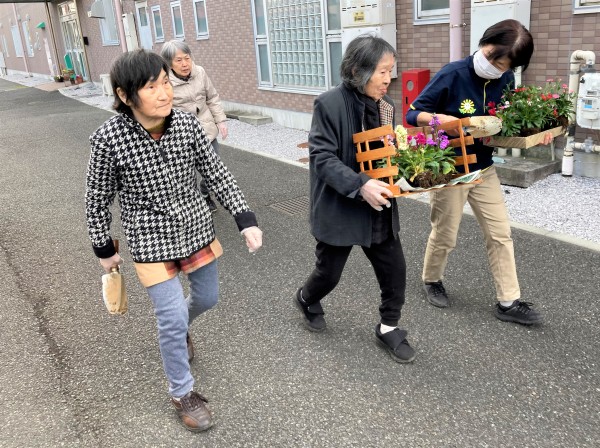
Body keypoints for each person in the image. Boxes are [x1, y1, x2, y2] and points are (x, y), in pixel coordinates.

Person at [85, 49, 263, 432]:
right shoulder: (108, 139)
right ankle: (182, 392)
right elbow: (97, 198)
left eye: (165, 83)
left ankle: (181, 329)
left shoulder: (186, 124)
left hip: (195, 228)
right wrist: (103, 247)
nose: (165, 93)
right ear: (125, 95)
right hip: (149, 238)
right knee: (170, 316)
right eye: (152, 87)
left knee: (207, 298)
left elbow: (215, 173)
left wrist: (244, 218)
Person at [405, 19, 548, 325]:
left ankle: (508, 302)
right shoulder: (453, 74)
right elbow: (412, 113)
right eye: (493, 58)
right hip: (451, 169)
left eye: (503, 65)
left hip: (484, 168)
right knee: (445, 233)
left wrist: (538, 132)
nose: (495, 67)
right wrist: (439, 120)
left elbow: (508, 122)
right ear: (485, 42)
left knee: (500, 234)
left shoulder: (505, 80)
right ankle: (432, 280)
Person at [293, 34, 415, 363]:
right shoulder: (329, 103)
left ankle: (389, 327)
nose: (388, 79)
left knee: (395, 271)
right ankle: (306, 297)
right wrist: (360, 184)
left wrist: (410, 172)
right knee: (328, 274)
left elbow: (388, 153)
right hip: (340, 204)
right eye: (382, 72)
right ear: (358, 71)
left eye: (391, 71)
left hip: (378, 205)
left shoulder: (386, 106)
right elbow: (322, 157)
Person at [160, 40, 228, 213]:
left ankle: (204, 193)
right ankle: (189, 203)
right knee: (183, 174)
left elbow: (212, 97)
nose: (185, 64)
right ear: (169, 63)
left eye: (187, 58)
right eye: (178, 60)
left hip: (206, 129)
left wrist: (220, 120)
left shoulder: (200, 72)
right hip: (180, 134)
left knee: (213, 169)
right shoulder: (164, 81)